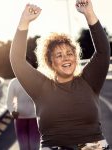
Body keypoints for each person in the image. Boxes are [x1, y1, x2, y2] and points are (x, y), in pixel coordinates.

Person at [10, 0, 110, 149]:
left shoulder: (90, 80)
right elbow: (17, 60)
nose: (66, 58)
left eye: (70, 53)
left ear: (76, 58)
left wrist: (89, 13)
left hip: (93, 146)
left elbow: (103, 51)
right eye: (59, 55)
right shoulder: (40, 87)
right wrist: (24, 21)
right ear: (50, 62)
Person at [6, 77, 40, 150]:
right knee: (23, 147)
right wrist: (12, 112)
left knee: (34, 147)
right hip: (20, 118)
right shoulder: (14, 82)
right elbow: (9, 101)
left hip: (35, 118)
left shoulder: (37, 81)